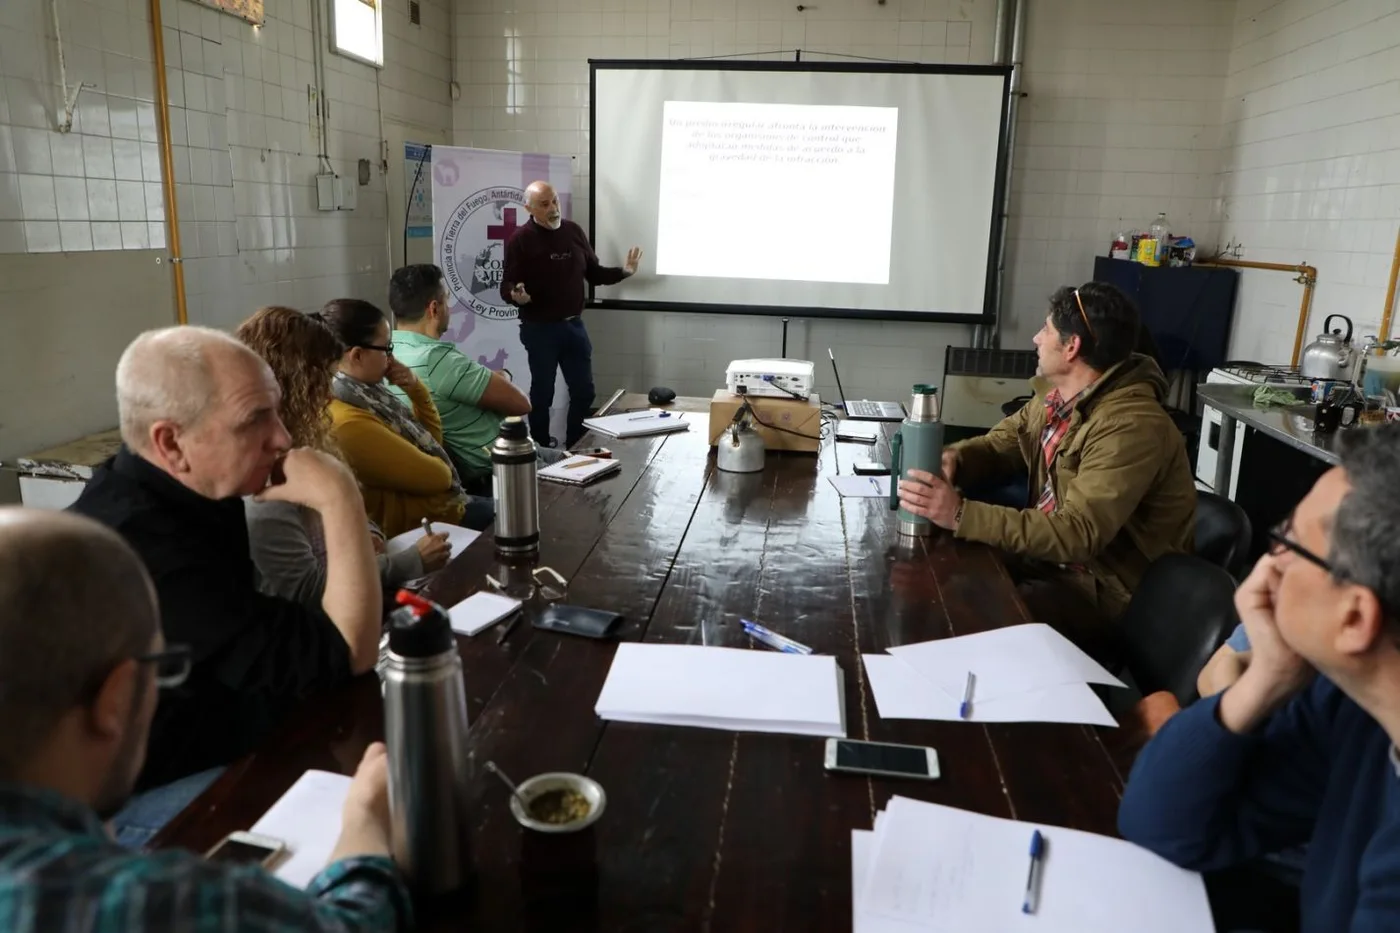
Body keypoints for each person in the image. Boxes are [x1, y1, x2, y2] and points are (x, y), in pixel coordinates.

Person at [0, 508, 412, 931]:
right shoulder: (161, 900)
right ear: (116, 700)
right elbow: (355, 923)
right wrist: (364, 821)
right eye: (161, 666)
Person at [68, 326, 382, 843]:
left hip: (213, 729)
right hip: (131, 803)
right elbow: (349, 651)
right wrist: (338, 493)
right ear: (171, 443)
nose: (281, 438)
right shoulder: (145, 553)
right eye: (254, 420)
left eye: (276, 411)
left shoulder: (176, 489)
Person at [1119, 424, 1400, 932]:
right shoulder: (1351, 708)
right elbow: (1158, 824)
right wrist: (1266, 678)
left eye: (1290, 543)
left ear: (1355, 619)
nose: (1269, 566)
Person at [897, 282, 1195, 638]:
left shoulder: (1131, 426)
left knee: (968, 612)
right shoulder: (1058, 398)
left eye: (1046, 330)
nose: (1037, 339)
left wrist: (960, 513)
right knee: (945, 571)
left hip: (1105, 590)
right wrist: (957, 459)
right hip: (1053, 563)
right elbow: (999, 445)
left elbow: (1078, 533)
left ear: (1072, 347)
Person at [236, 306, 452, 607]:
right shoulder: (265, 477)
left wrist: (368, 530)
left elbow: (351, 514)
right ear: (293, 385)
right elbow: (309, 589)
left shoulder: (314, 433)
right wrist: (408, 561)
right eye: (320, 380)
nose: (328, 392)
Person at [319, 297, 490, 537]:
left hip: (447, 509)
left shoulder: (368, 394)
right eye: (387, 348)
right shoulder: (349, 422)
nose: (392, 358)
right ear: (357, 355)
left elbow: (432, 441)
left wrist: (415, 389)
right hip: (427, 529)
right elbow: (440, 476)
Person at [501, 180, 642, 447]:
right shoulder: (521, 240)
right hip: (540, 329)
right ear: (529, 208)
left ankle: (575, 444)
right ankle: (541, 448)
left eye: (554, 200)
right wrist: (517, 296)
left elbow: (595, 274)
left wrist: (624, 272)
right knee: (543, 393)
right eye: (544, 204)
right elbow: (507, 285)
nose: (553, 208)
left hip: (574, 327)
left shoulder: (573, 231)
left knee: (584, 391)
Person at [387, 264, 538, 490]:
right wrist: (503, 376)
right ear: (434, 309)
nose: (450, 308)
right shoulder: (437, 360)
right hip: (500, 471)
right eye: (447, 301)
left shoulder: (389, 353)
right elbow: (521, 404)